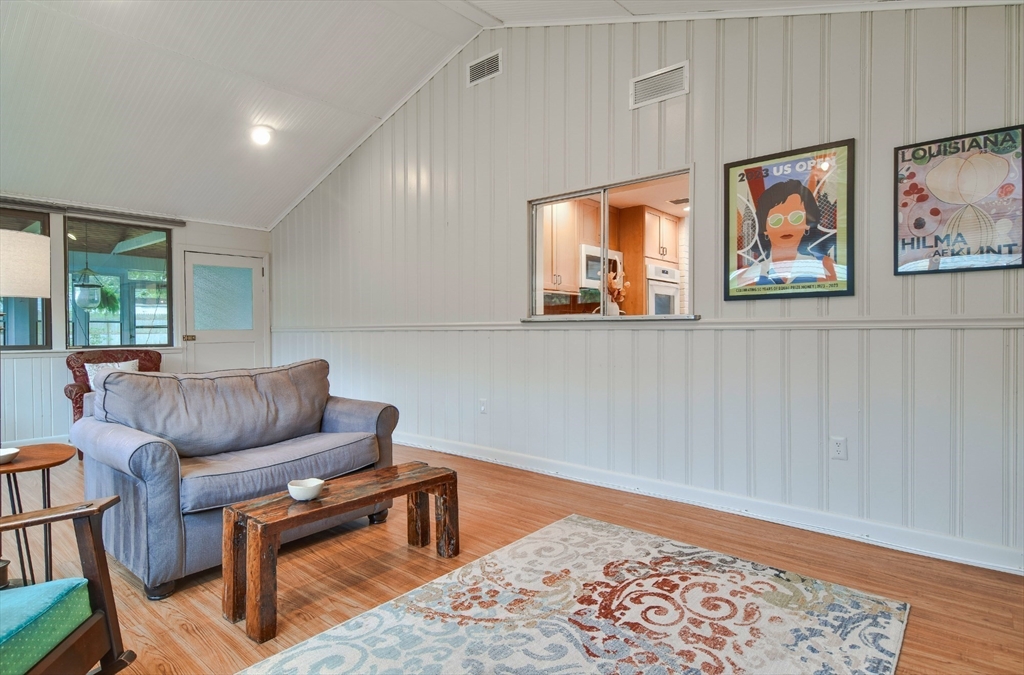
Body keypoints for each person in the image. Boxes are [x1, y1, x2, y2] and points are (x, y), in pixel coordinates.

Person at [731, 178, 838, 287]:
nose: (786, 226)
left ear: (807, 224)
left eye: (796, 217)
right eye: (776, 220)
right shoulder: (746, 274)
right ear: (764, 228)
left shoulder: (826, 266)